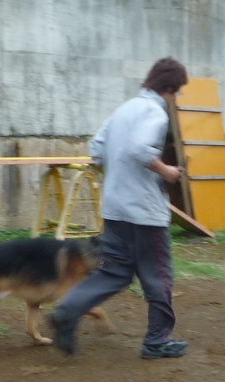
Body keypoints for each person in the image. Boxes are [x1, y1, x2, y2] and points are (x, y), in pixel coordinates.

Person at [49, 56, 188, 360]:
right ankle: (157, 341)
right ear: (170, 87)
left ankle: (66, 310)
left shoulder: (124, 109)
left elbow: (96, 149)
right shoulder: (155, 112)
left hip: (114, 208)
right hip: (145, 212)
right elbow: (139, 149)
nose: (175, 98)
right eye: (176, 92)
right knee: (158, 276)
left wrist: (119, 177)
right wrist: (167, 172)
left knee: (114, 273)